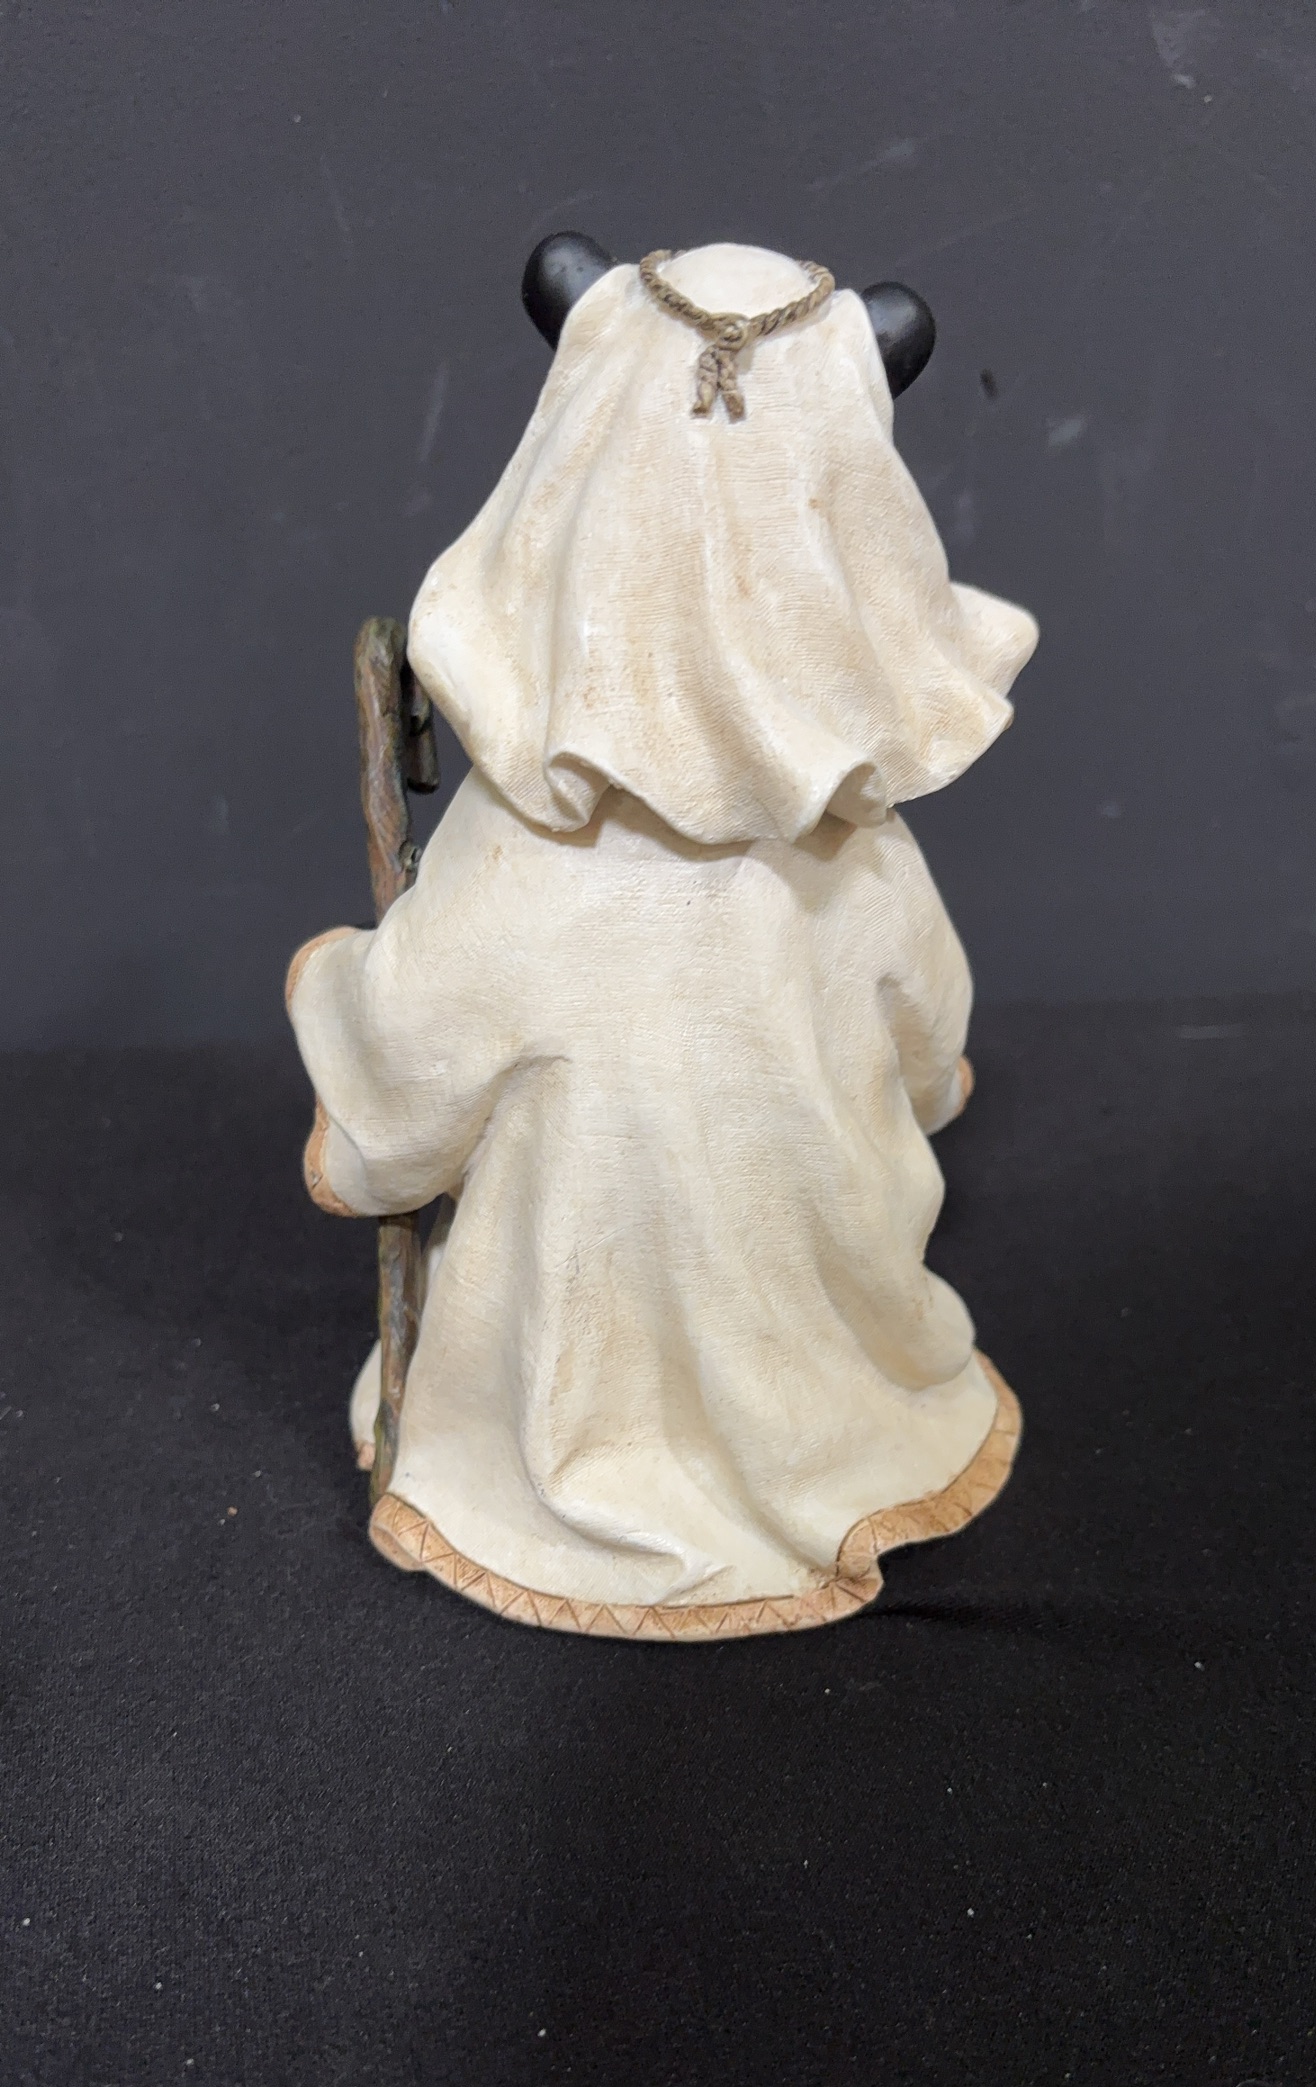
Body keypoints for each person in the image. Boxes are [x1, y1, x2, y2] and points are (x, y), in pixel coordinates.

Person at [286, 242, 1037, 1641]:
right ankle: (803, 1442)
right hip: (812, 1353)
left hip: (562, 1373)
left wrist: (347, 990)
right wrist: (915, 1088)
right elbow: (929, 1044)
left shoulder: (519, 850)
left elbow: (404, 1081)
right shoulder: (855, 856)